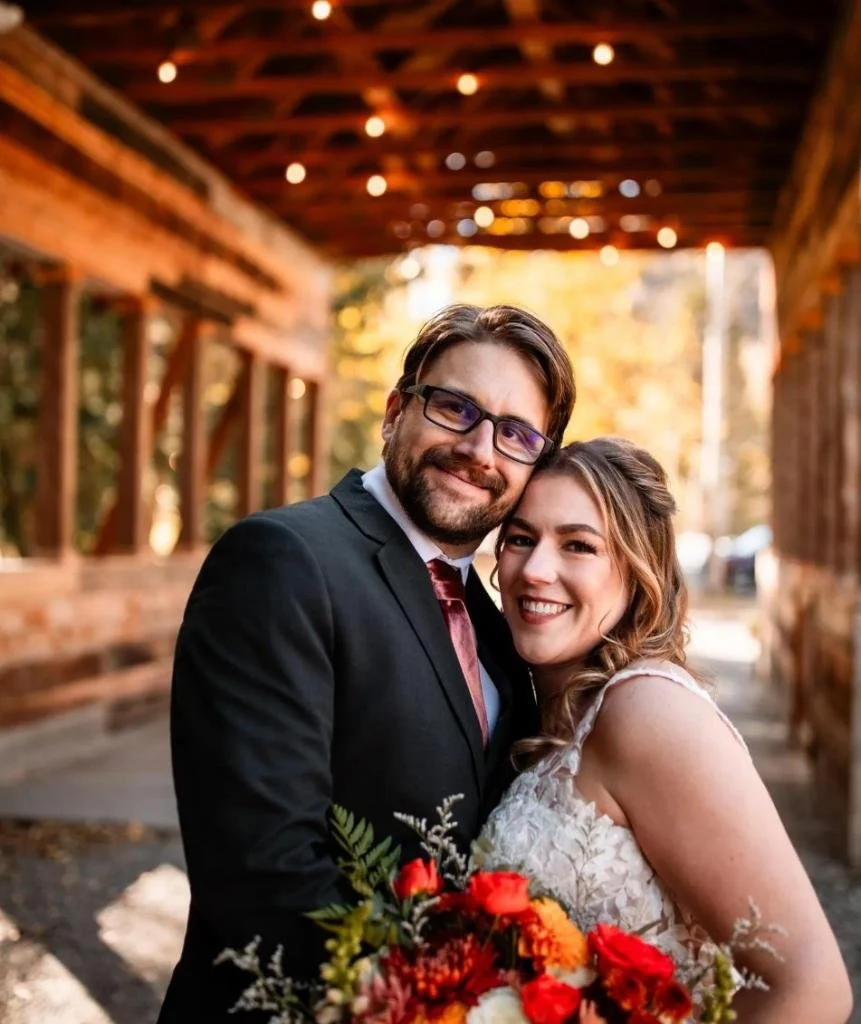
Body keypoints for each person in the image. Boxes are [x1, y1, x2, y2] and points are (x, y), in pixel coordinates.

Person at [157, 304, 576, 1022]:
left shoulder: (497, 621)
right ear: (393, 411)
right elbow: (262, 872)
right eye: (455, 407)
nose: (480, 449)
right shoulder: (282, 560)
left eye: (514, 434)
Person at [478, 438, 853, 1023]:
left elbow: (814, 987)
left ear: (637, 572)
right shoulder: (548, 714)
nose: (535, 569)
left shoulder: (646, 709)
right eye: (521, 539)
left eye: (578, 545)